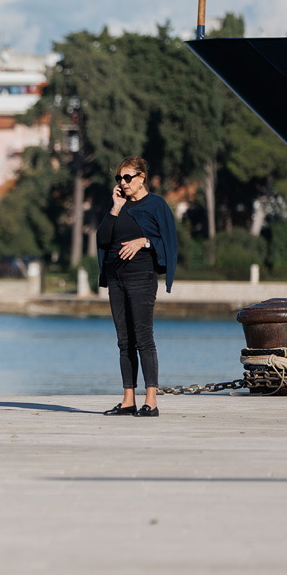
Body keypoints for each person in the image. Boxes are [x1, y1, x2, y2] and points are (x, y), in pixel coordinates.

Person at [96, 156, 178, 418]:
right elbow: (102, 238)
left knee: (143, 338)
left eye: (127, 177)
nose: (123, 182)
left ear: (142, 177)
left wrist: (144, 241)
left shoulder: (156, 205)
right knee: (124, 341)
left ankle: (151, 402)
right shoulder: (118, 206)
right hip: (116, 278)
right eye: (119, 178)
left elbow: (168, 242)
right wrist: (115, 207)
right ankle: (128, 399)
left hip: (141, 277)